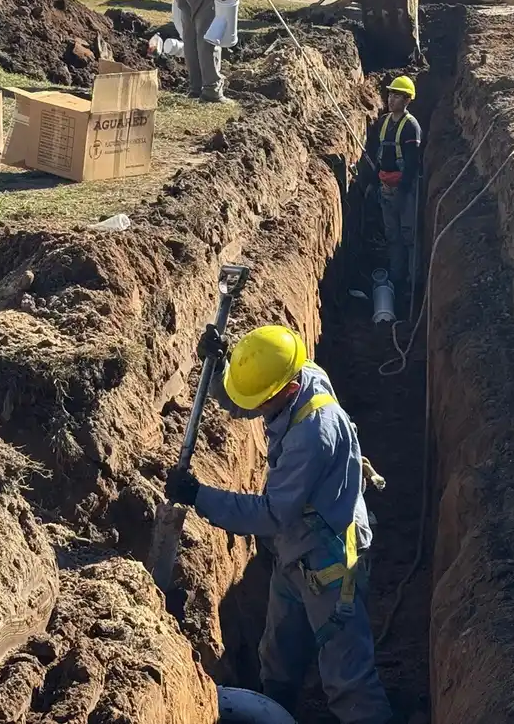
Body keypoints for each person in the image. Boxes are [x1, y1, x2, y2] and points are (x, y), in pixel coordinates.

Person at [166, 325, 393, 724]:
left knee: (347, 681)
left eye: (263, 400)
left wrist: (200, 496)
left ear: (286, 391)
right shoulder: (298, 375)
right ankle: (278, 712)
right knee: (278, 657)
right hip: (294, 553)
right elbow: (250, 402)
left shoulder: (313, 434)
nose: (256, 410)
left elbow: (272, 514)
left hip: (330, 563)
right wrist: (222, 372)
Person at [362, 76, 422, 300]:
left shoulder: (411, 127)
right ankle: (397, 278)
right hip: (386, 186)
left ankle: (413, 284)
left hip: (405, 189)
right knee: (392, 235)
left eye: (397, 95)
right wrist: (372, 181)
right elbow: (380, 154)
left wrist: (403, 192)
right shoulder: (384, 122)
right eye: (390, 94)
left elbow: (413, 163)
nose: (391, 99)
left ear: (407, 100)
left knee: (409, 236)